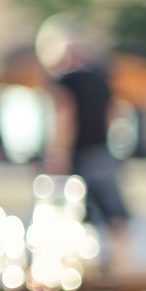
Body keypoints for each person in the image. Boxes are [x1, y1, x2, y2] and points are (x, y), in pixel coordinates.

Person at [36, 14, 132, 270]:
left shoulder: (65, 82)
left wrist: (57, 156)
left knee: (75, 212)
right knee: (114, 214)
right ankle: (122, 266)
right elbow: (114, 113)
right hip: (103, 152)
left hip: (80, 155)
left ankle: (80, 267)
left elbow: (65, 120)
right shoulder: (101, 80)